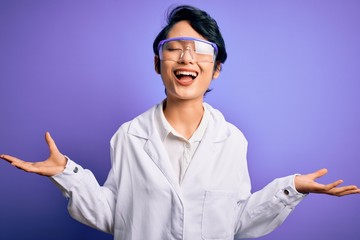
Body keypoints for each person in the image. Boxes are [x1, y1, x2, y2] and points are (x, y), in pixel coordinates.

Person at [1, 5, 359, 240]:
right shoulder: (129, 136)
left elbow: (235, 222)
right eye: (174, 47)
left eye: (201, 48)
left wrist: (291, 187)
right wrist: (66, 173)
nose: (187, 55)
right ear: (158, 64)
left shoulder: (232, 140)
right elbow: (116, 217)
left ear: (216, 69)